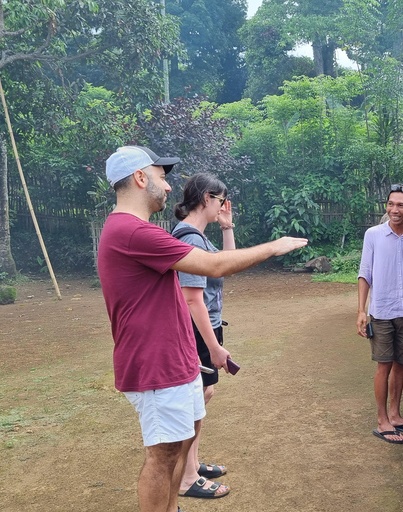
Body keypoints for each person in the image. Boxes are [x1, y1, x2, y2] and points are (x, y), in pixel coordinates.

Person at [97, 145, 307, 512]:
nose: (166, 187)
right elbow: (213, 267)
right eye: (161, 178)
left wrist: (189, 351)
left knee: (177, 448)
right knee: (162, 455)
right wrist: (274, 247)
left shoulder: (137, 230)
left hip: (174, 358)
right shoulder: (131, 231)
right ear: (140, 178)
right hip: (155, 364)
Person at [171, 173, 234, 499]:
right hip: (198, 329)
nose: (224, 205)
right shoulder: (191, 240)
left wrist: (227, 228)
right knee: (195, 401)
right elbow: (192, 298)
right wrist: (213, 347)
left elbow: (225, 265)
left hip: (207, 325)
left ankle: (192, 465)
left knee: (202, 397)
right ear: (206, 198)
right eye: (220, 199)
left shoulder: (199, 237)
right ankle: (186, 477)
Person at [356, 183, 403, 444]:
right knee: (384, 365)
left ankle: (396, 415)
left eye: (401, 205)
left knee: (401, 365)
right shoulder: (373, 235)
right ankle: (382, 421)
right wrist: (361, 311)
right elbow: (364, 273)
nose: (394, 209)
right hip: (382, 311)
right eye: (391, 204)